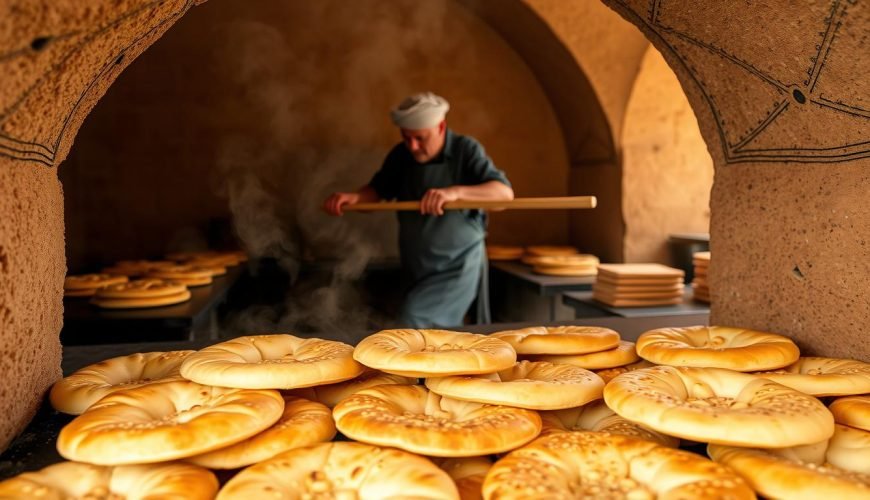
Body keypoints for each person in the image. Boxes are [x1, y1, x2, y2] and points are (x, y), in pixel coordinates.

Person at [323, 92, 513, 328]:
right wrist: (355, 198)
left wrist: (454, 193)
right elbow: (376, 192)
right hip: (417, 266)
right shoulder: (401, 155)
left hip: (457, 266)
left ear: (441, 127)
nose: (412, 146)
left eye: (420, 138)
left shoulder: (466, 150)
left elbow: (504, 195)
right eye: (406, 138)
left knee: (413, 319)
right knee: (431, 336)